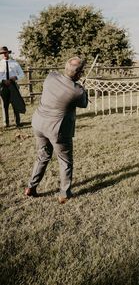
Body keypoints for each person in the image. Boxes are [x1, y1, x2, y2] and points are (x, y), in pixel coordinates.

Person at [24, 57, 88, 204]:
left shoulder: (51, 76)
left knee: (42, 156)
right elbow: (83, 103)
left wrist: (77, 85)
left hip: (39, 123)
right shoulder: (77, 91)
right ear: (79, 74)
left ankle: (31, 188)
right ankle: (64, 194)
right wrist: (83, 89)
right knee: (65, 161)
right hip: (57, 129)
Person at [0, 46, 25, 127]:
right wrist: (2, 80)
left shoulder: (15, 63)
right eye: (2, 53)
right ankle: (5, 123)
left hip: (13, 85)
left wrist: (16, 77)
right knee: (4, 104)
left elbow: (22, 74)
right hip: (3, 86)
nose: (4, 54)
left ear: (8, 53)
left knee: (15, 103)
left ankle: (18, 122)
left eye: (5, 52)